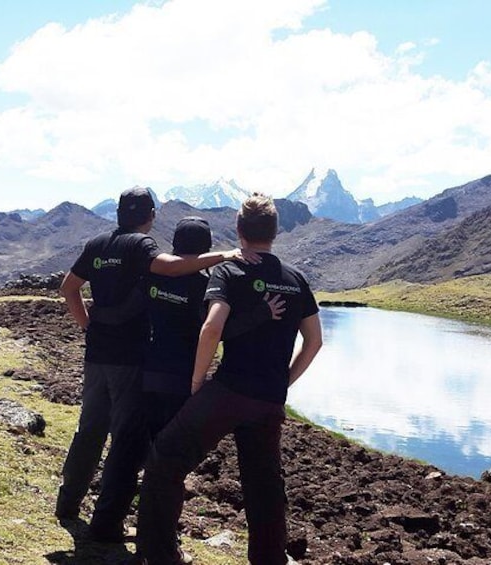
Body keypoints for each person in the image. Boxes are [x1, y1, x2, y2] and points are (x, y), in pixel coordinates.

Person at [55, 187, 258, 543]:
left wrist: (90, 326)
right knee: (132, 443)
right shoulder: (143, 249)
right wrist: (225, 256)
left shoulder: (99, 245)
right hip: (136, 363)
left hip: (101, 357)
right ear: (149, 216)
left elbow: (69, 288)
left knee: (92, 430)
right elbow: (178, 272)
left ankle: (71, 505)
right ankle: (136, 530)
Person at [136, 194, 323, 565]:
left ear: (239, 230)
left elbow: (211, 328)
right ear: (275, 231)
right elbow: (314, 342)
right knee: (264, 485)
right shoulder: (296, 279)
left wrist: (196, 381)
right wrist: (282, 383)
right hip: (269, 399)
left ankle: (159, 555)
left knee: (165, 460)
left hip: (228, 390)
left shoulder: (229, 271)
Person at [90, 216, 286, 440]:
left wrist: (93, 315)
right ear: (206, 247)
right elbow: (217, 331)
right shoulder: (206, 287)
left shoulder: (153, 279)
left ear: (175, 243)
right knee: (167, 449)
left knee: (134, 444)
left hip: (149, 373)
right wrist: (261, 313)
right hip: (185, 379)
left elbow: (123, 313)